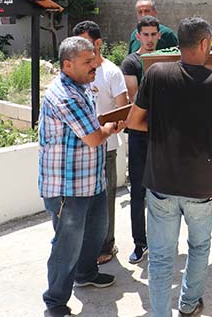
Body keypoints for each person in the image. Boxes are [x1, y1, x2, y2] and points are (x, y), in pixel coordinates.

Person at [127, 17, 212, 317]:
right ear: (204, 43)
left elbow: (134, 122)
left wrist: (165, 128)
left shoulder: (156, 73)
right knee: (199, 248)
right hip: (201, 185)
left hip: (161, 183)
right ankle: (188, 305)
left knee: (161, 258)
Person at [39, 36, 124, 317]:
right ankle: (55, 302)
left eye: (95, 58)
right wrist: (109, 129)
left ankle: (85, 273)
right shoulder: (65, 95)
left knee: (96, 232)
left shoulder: (82, 86)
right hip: (68, 188)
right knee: (67, 245)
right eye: (88, 61)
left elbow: (90, 127)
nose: (95, 64)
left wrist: (106, 126)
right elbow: (92, 137)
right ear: (67, 65)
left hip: (90, 181)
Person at [72, 21, 129, 266]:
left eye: (86, 43)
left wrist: (106, 128)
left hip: (106, 147)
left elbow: (123, 111)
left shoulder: (112, 72)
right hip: (79, 148)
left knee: (105, 201)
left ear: (98, 43)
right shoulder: (75, 73)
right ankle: (85, 246)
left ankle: (107, 244)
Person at [120, 16, 162, 265]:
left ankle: (161, 241)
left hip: (163, 136)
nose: (149, 39)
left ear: (159, 35)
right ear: (138, 36)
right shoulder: (131, 62)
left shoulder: (166, 60)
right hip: (139, 135)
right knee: (138, 192)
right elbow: (135, 98)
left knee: (163, 192)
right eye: (145, 34)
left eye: (153, 34)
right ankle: (140, 243)